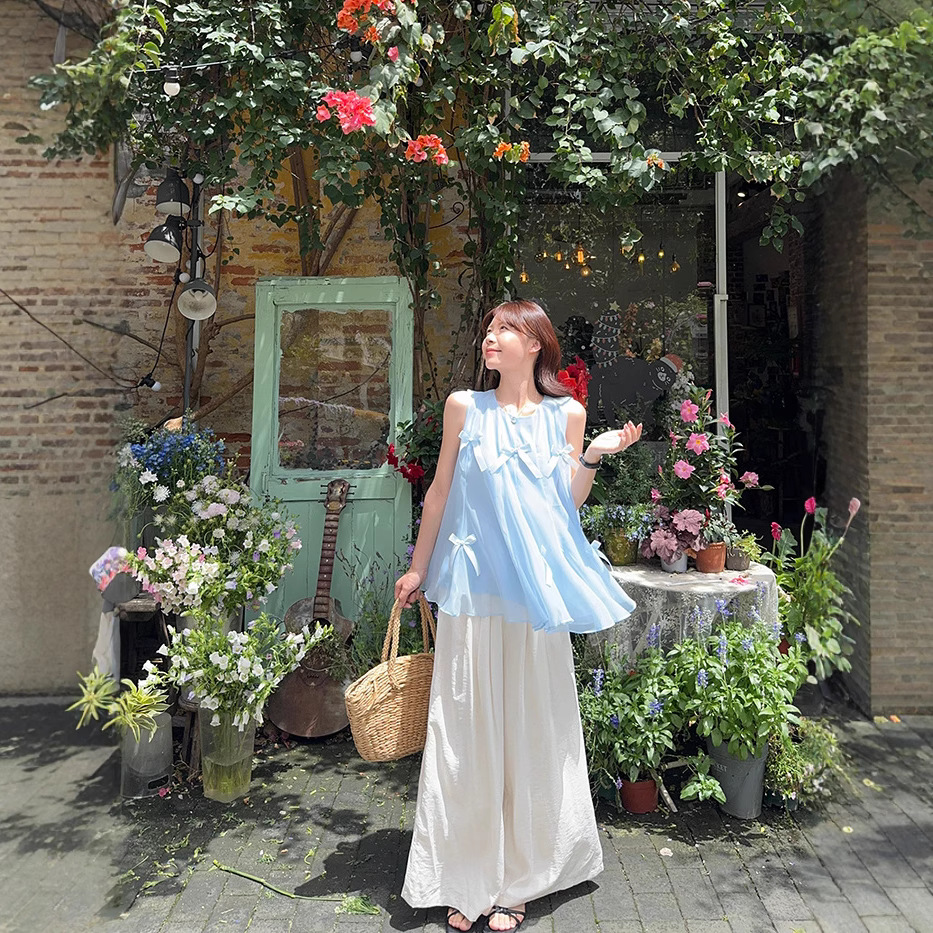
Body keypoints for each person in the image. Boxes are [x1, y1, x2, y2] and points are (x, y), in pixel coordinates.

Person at [394, 299, 642, 933]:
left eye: (504, 329)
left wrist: (594, 454)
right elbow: (439, 492)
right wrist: (418, 569)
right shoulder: (463, 407)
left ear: (535, 345)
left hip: (533, 600)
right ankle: (467, 873)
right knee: (466, 732)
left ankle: (521, 880)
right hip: (472, 593)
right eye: (489, 328)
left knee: (532, 731)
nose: (491, 337)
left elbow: (565, 504)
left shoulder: (568, 415)